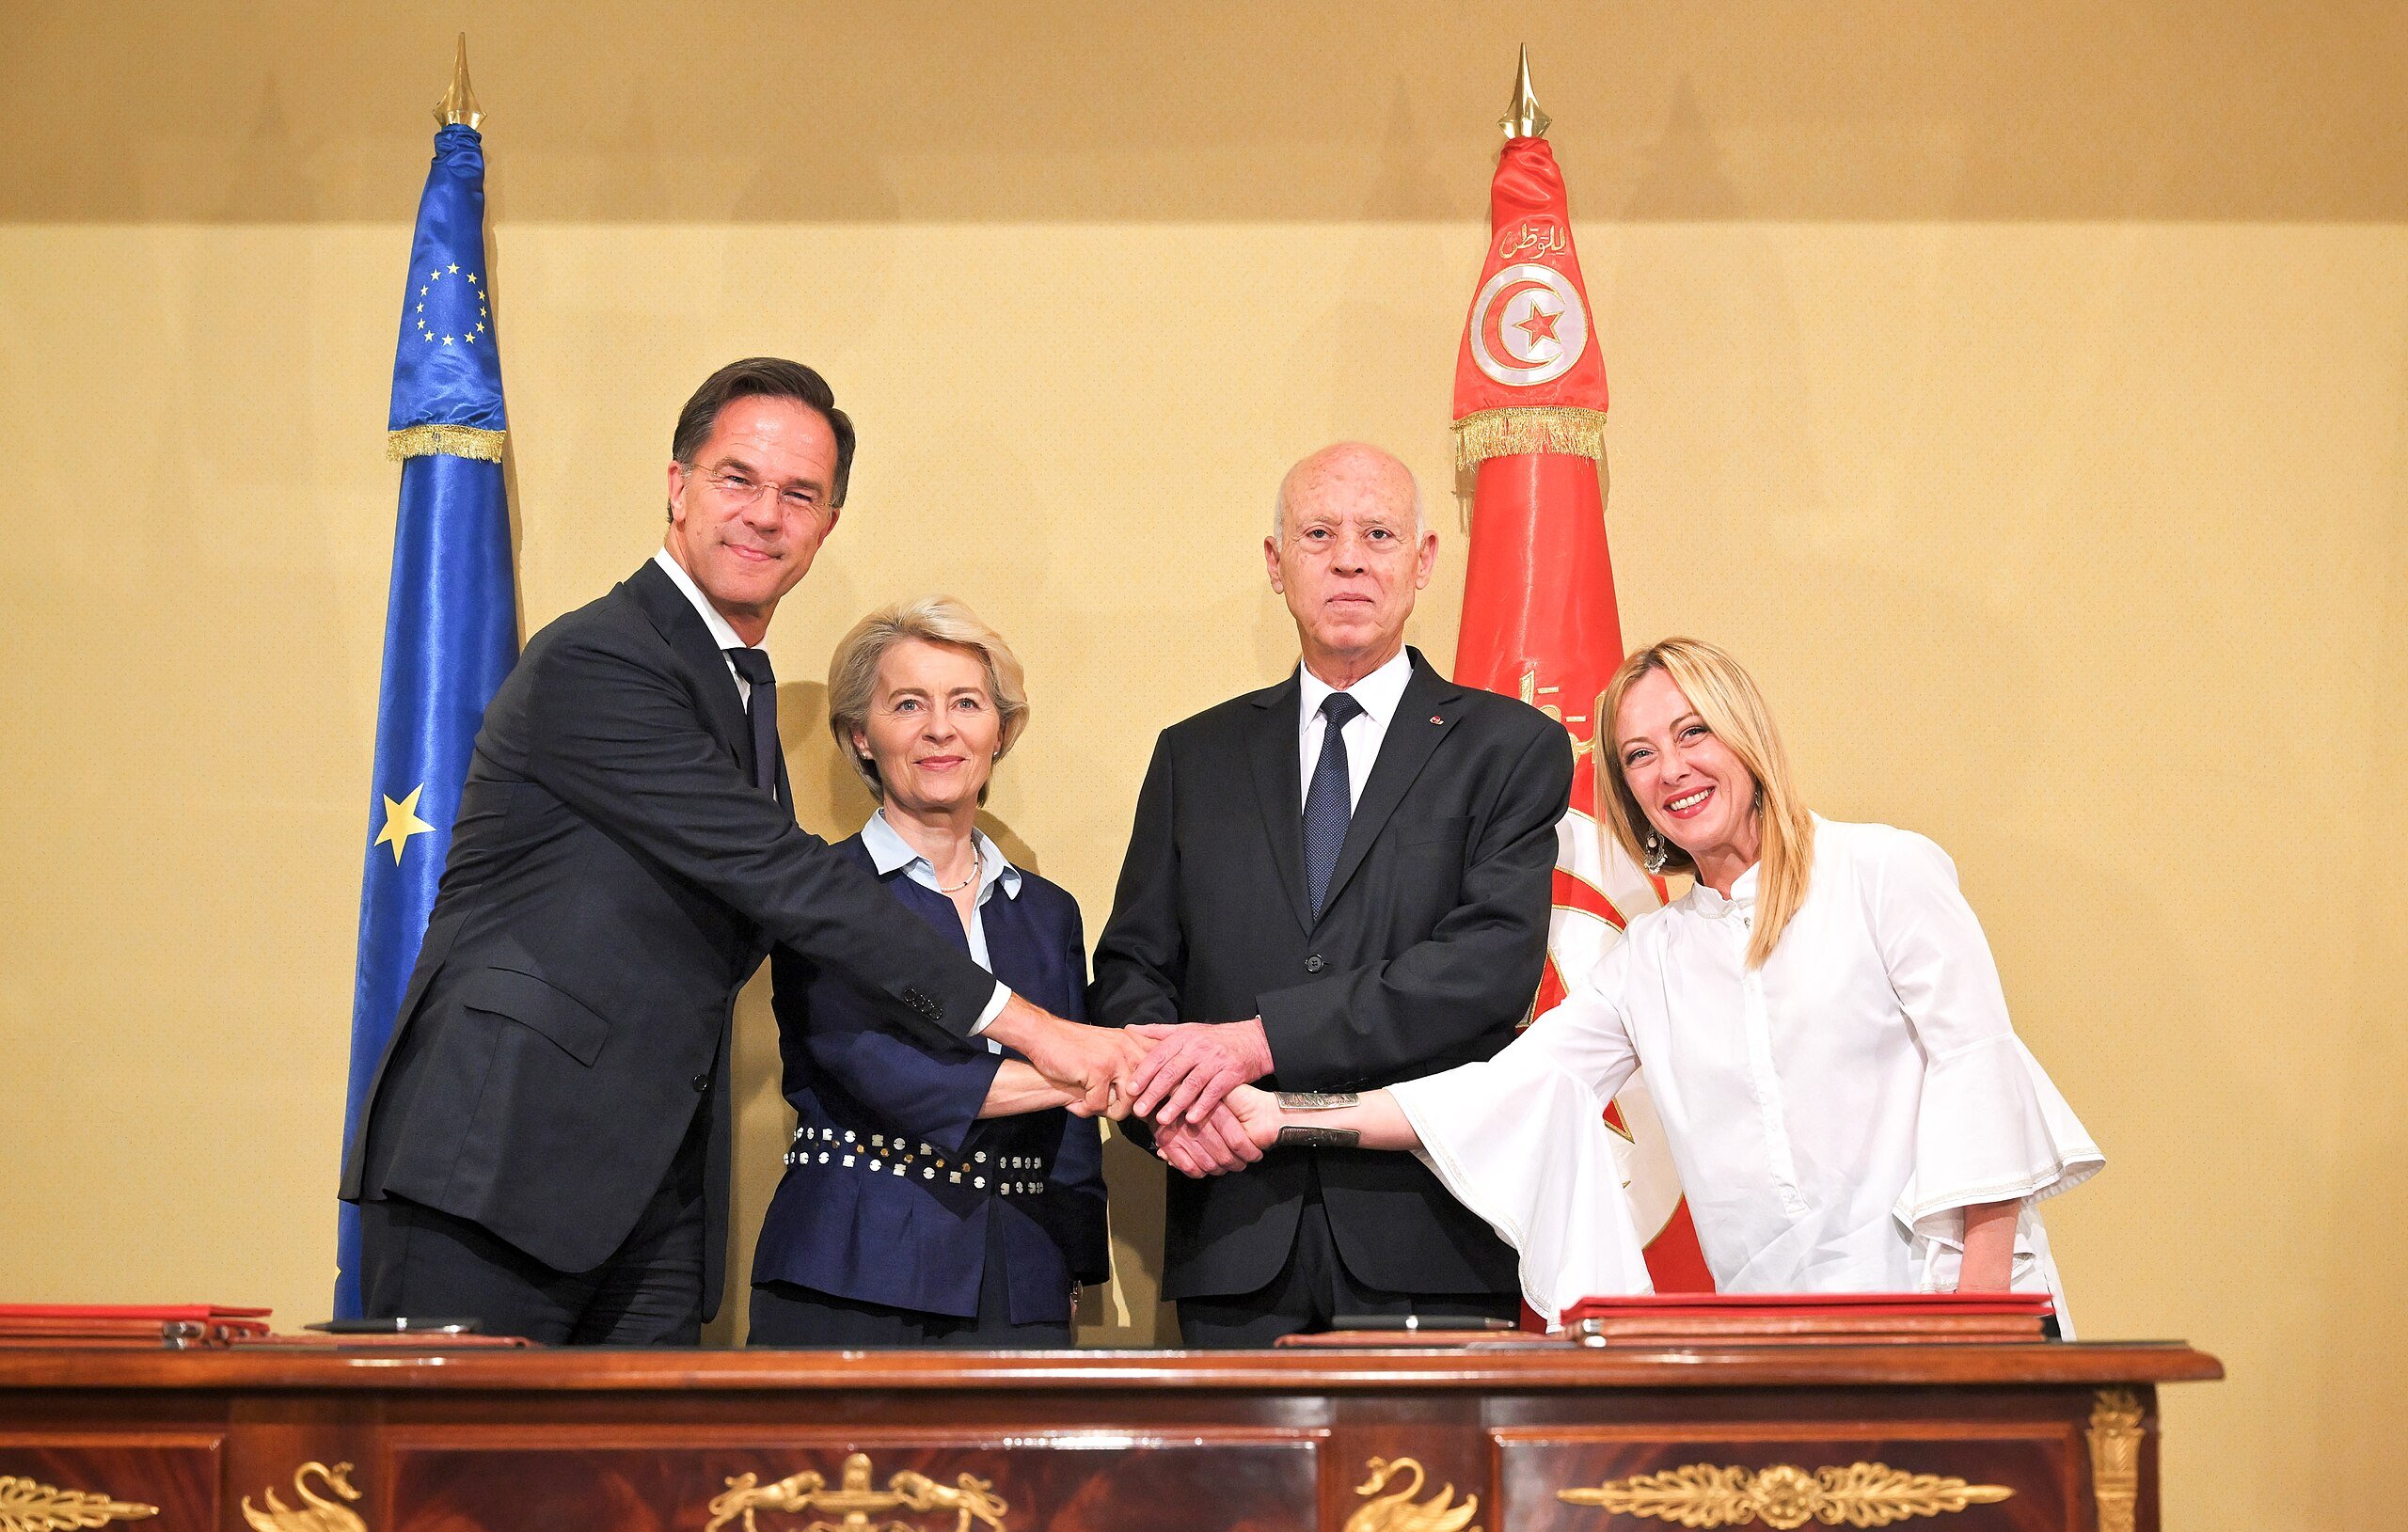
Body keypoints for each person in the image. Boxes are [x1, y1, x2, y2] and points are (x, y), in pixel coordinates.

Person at [341, 358, 1142, 1346]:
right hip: (498, 1168)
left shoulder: (739, 687)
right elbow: (786, 878)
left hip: (649, 1192)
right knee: (462, 1493)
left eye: (798, 494)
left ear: (825, 527)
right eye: (737, 479)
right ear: (677, 487)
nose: (765, 514)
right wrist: (1040, 1030)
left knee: (640, 1498)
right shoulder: (601, 658)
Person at [1213, 638, 2105, 1332]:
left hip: (1951, 1316)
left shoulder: (1885, 872)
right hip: (1785, 1343)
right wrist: (1281, 1114)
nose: (1670, 769)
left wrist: (1978, 1324)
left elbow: (1978, 1073)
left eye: (1692, 732)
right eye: (1638, 755)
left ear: (1746, 734)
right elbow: (1500, 1096)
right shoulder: (1651, 960)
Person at [1088, 442, 1573, 1346]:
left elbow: (1486, 970)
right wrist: (1172, 1116)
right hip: (1230, 1224)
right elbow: (1131, 971)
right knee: (1230, 1494)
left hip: (1432, 1232)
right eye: (1319, 532)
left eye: (1378, 533)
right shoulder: (1196, 756)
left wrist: (1258, 1040)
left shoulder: (1509, 748)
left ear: (1423, 561)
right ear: (1277, 565)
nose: (1349, 557)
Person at [749, 599, 1107, 1346]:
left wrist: (1071, 1267)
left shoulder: (1047, 911)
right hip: (851, 1270)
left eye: (966, 703)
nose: (940, 728)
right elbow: (888, 1074)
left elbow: (1072, 1147)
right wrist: (1100, 1071)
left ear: (999, 731)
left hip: (1022, 1281)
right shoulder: (821, 889)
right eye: (908, 703)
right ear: (862, 736)